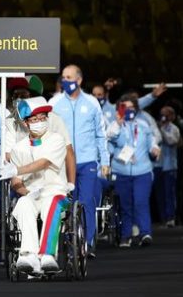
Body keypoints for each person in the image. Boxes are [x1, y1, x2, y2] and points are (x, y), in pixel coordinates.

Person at [0, 97, 69, 274]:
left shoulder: (56, 139)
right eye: (35, 119)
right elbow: (16, 182)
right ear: (25, 123)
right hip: (32, 193)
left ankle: (47, 255)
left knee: (51, 206)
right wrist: (26, 192)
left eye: (43, 118)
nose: (40, 122)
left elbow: (44, 163)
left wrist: (17, 169)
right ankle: (28, 255)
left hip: (56, 192)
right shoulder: (18, 149)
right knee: (23, 204)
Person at [48, 64, 108, 254]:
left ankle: (87, 242)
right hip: (63, 162)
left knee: (87, 201)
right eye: (63, 77)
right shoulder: (54, 103)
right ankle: (69, 243)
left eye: (69, 77)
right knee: (66, 202)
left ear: (79, 80)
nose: (65, 80)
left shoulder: (92, 102)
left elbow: (101, 134)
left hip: (87, 161)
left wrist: (105, 161)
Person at [107, 95, 160, 247]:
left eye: (131, 107)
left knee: (141, 202)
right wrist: (118, 124)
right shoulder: (114, 125)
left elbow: (152, 142)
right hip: (121, 171)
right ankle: (126, 235)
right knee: (125, 205)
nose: (129, 110)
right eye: (125, 107)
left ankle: (145, 233)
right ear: (119, 109)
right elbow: (109, 141)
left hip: (142, 171)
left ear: (136, 109)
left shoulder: (143, 125)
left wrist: (154, 148)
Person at [154, 105, 180, 227]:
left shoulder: (174, 128)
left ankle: (171, 218)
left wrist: (162, 130)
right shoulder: (155, 128)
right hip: (157, 165)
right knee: (159, 194)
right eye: (162, 114)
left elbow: (172, 141)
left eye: (166, 114)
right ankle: (163, 218)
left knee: (169, 193)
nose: (163, 116)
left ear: (171, 116)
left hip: (169, 166)